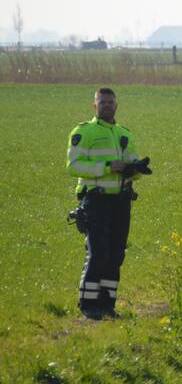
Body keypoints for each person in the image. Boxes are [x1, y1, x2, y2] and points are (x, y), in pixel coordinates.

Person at [66, 88, 149, 320]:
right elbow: (73, 166)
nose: (107, 106)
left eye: (111, 102)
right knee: (98, 253)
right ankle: (88, 305)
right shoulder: (84, 131)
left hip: (121, 200)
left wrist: (136, 169)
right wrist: (106, 167)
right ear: (94, 106)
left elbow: (131, 164)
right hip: (96, 200)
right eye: (102, 102)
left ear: (117, 106)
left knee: (115, 255)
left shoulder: (124, 133)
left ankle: (107, 305)